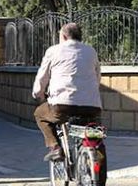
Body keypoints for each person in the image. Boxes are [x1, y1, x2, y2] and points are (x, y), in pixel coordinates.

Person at [32, 23, 106, 183]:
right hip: (92, 106)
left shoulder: (53, 51)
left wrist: (38, 94)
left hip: (62, 106)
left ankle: (55, 148)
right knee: (96, 137)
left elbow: (42, 79)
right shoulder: (91, 51)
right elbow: (97, 78)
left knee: (40, 114)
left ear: (64, 36)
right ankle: (99, 174)